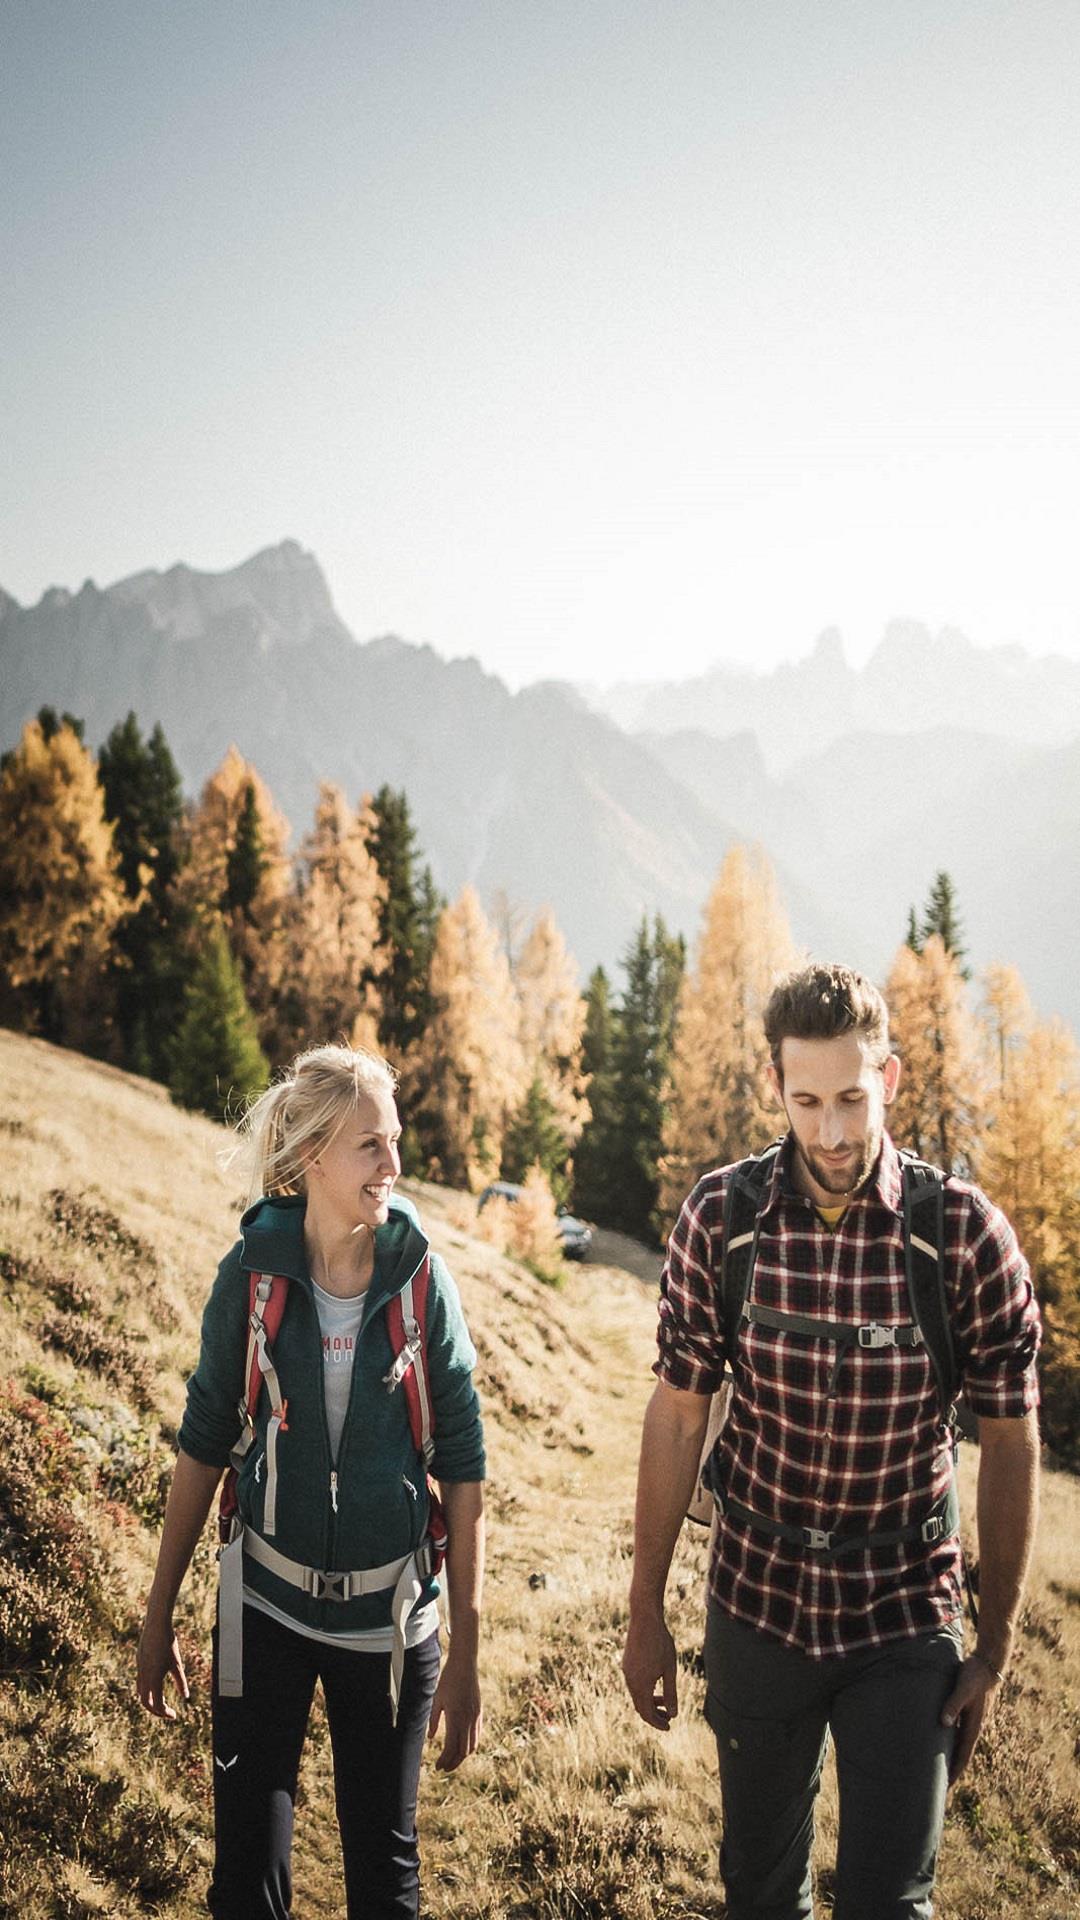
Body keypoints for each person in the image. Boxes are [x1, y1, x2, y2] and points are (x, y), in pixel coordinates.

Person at [622, 962, 1040, 1920]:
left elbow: (1012, 1443)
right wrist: (645, 1606)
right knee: (761, 1899)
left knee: (889, 1904)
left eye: (853, 1098)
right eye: (806, 1101)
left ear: (888, 1079)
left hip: (902, 1618)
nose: (834, 1131)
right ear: (776, 1087)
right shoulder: (722, 1218)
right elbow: (679, 1411)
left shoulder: (963, 1235)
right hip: (757, 1606)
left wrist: (996, 1646)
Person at [137, 1043, 486, 1920]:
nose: (394, 1166)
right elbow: (205, 1437)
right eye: (372, 1145)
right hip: (264, 1612)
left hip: (390, 1625)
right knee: (245, 1883)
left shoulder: (422, 1283)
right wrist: (159, 1611)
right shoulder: (250, 1278)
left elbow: (465, 1461)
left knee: (383, 1878)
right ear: (311, 1159)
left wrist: (469, 1649)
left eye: (395, 1142)